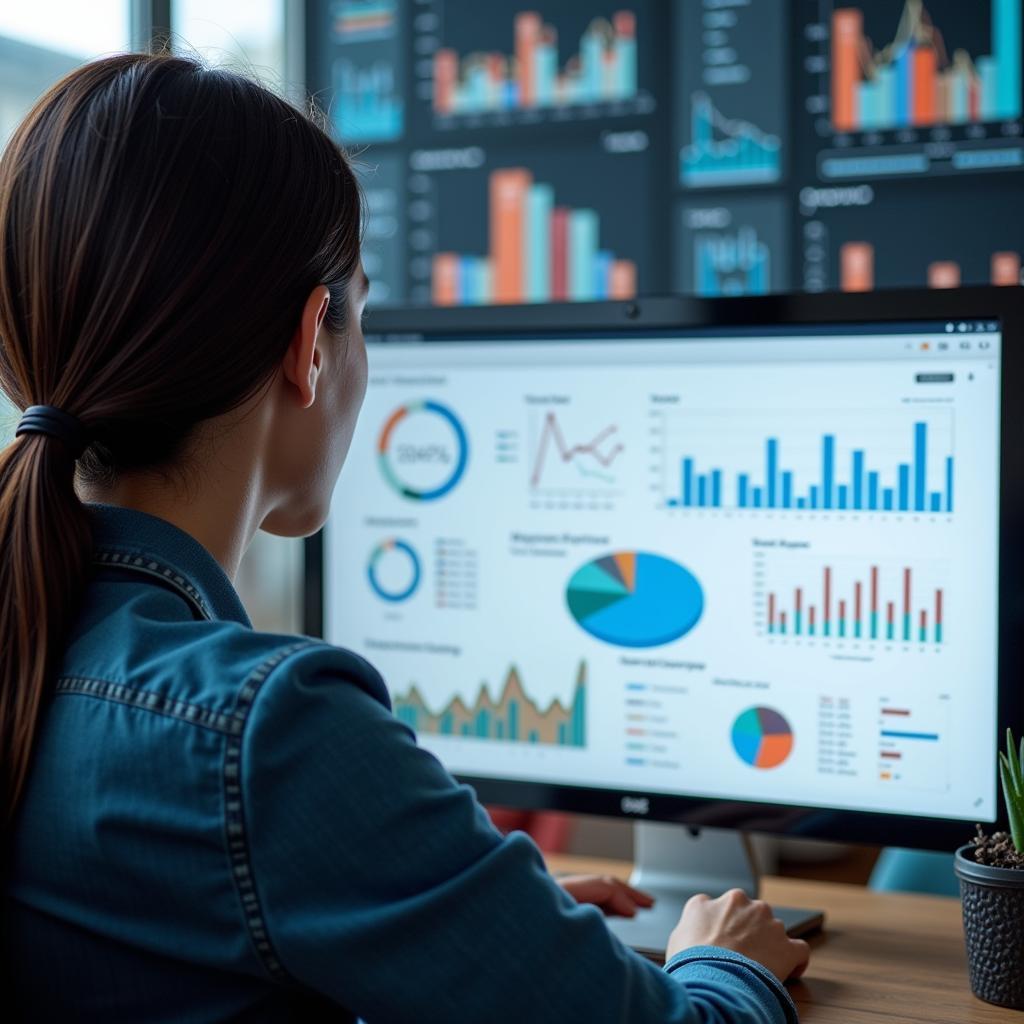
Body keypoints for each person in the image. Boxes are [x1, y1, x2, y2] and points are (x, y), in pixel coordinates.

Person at [0, 53, 809, 1022]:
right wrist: (724, 965)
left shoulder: (36, 650)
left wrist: (471, 917)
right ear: (309, 344)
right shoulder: (267, 735)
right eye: (363, 317)